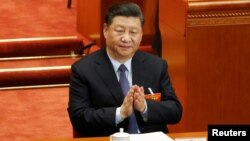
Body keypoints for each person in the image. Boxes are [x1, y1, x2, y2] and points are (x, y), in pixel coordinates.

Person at [67, 2, 182, 137]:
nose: (126, 38)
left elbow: (175, 111)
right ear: (105, 30)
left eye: (133, 32)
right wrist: (119, 113)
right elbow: (78, 117)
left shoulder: (156, 65)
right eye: (120, 31)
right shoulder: (83, 69)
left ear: (141, 34)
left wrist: (145, 107)